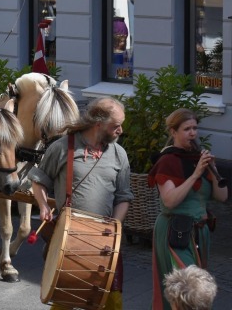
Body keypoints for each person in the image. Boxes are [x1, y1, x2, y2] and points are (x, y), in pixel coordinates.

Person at [28, 97, 134, 309]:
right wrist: (43, 205)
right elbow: (38, 181)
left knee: (111, 301)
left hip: (106, 240)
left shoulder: (118, 154)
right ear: (98, 124)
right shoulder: (61, 148)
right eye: (116, 126)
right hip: (70, 237)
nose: (120, 130)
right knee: (64, 300)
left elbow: (123, 197)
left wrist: (114, 227)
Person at [148, 109, 228, 310]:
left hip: (200, 231)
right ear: (173, 132)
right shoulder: (167, 161)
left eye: (195, 128)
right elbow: (170, 201)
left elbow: (222, 197)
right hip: (175, 231)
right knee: (185, 289)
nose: (193, 133)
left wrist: (214, 171)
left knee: (197, 287)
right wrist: (195, 175)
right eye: (186, 129)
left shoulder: (197, 159)